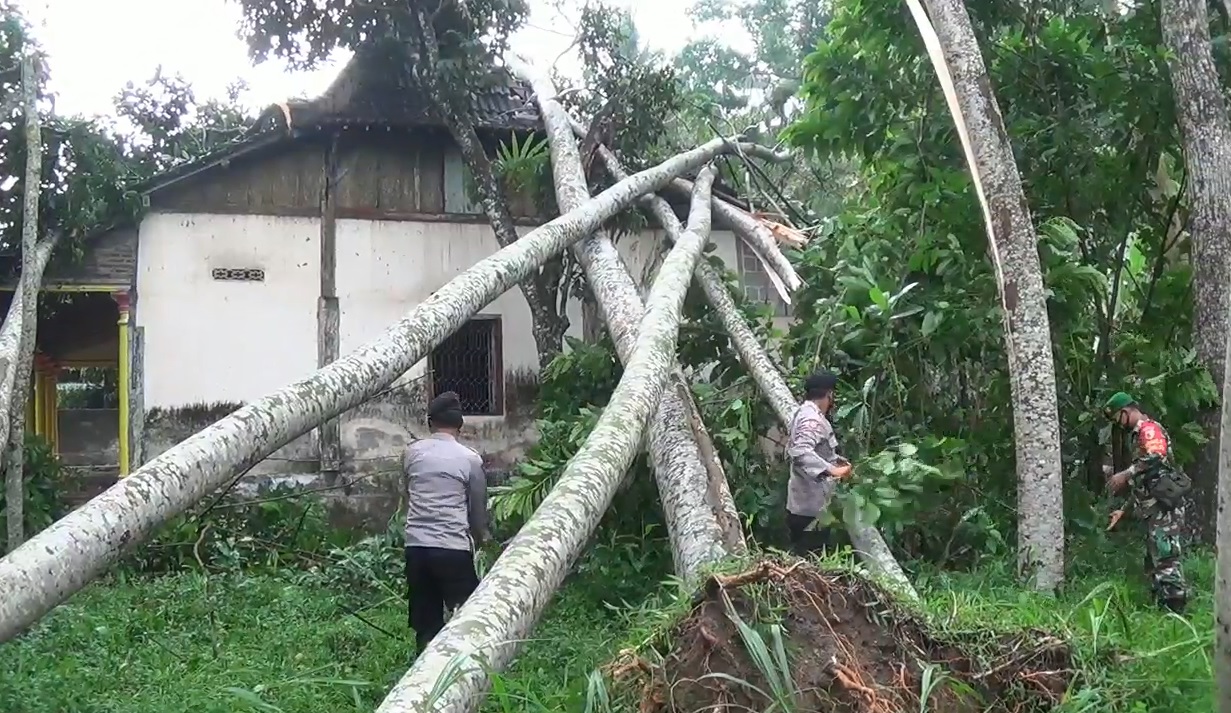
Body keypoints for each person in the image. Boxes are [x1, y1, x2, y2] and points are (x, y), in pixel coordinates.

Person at [403, 391, 490, 652]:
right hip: (452, 549)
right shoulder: (470, 459)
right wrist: (482, 537)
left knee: (426, 623)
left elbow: (407, 493)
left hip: (416, 547)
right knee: (467, 616)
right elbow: (477, 508)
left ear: (430, 423)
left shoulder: (412, 453)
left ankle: (422, 668)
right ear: (460, 425)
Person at [1103, 391, 1191, 613]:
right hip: (1153, 507)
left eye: (1117, 419)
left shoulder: (1148, 429)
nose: (1118, 425)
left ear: (1125, 412)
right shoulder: (1136, 436)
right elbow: (1144, 484)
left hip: (1164, 507)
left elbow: (1156, 455)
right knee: (1155, 562)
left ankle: (1176, 613)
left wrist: (1126, 474)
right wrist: (1123, 511)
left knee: (1166, 558)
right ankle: (1162, 609)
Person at [784, 371, 853, 554]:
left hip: (806, 504)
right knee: (810, 562)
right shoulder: (812, 419)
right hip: (810, 510)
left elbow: (814, 450)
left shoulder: (805, 412)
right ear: (829, 394)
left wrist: (837, 462)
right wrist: (832, 470)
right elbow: (800, 451)